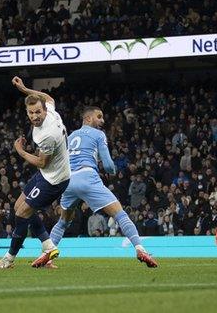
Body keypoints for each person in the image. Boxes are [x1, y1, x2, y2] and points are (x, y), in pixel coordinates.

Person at [48, 106, 158, 268]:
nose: (102, 120)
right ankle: (140, 249)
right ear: (88, 119)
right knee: (120, 214)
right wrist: (113, 170)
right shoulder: (98, 134)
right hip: (88, 177)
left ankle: (46, 257)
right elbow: (107, 165)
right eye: (99, 116)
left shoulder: (70, 136)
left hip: (68, 181)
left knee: (63, 222)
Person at [0, 76, 70, 269]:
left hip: (55, 180)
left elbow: (42, 162)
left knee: (22, 213)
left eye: (38, 112)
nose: (35, 116)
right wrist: (25, 89)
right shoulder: (50, 110)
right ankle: (48, 247)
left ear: (44, 111)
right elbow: (48, 98)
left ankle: (9, 259)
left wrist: (20, 151)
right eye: (31, 112)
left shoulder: (47, 133)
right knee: (20, 206)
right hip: (48, 174)